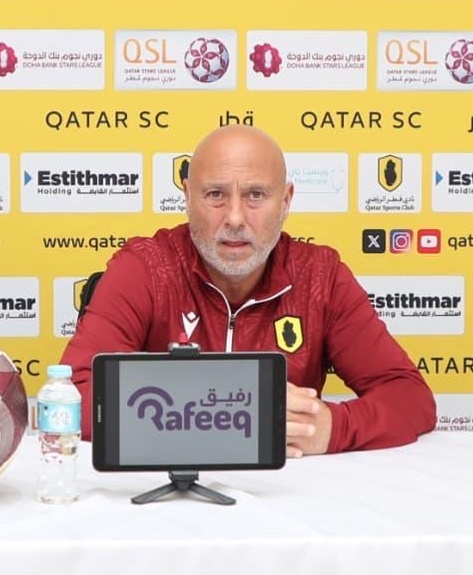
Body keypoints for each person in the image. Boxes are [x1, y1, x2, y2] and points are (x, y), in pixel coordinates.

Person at [61, 125, 436, 455]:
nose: (236, 218)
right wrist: (232, 415)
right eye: (215, 194)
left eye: (256, 195)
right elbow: (71, 400)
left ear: (285, 201)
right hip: (168, 492)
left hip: (287, 493)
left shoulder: (321, 277)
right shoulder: (145, 268)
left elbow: (410, 397)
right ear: (187, 197)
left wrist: (332, 429)